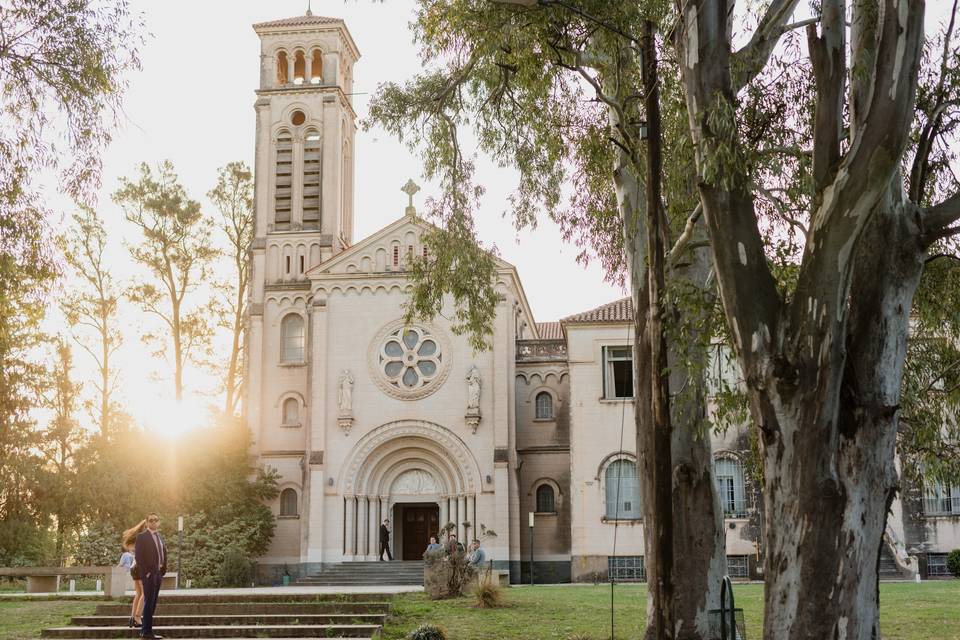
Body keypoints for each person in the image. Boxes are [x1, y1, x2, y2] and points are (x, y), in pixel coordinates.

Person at [134, 512, 167, 640]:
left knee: (152, 603)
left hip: (158, 574)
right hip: (149, 575)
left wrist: (163, 570)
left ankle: (146, 630)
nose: (153, 522)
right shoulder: (142, 537)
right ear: (147, 522)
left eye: (155, 520)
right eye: (151, 520)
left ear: (158, 522)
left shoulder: (160, 537)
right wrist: (146, 573)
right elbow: (138, 557)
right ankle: (146, 632)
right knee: (148, 603)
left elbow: (163, 553)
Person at [120, 520, 147, 629]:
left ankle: (132, 618)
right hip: (140, 567)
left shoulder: (136, 538)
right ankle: (137, 617)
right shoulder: (143, 538)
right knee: (145, 594)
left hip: (134, 567)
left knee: (139, 593)